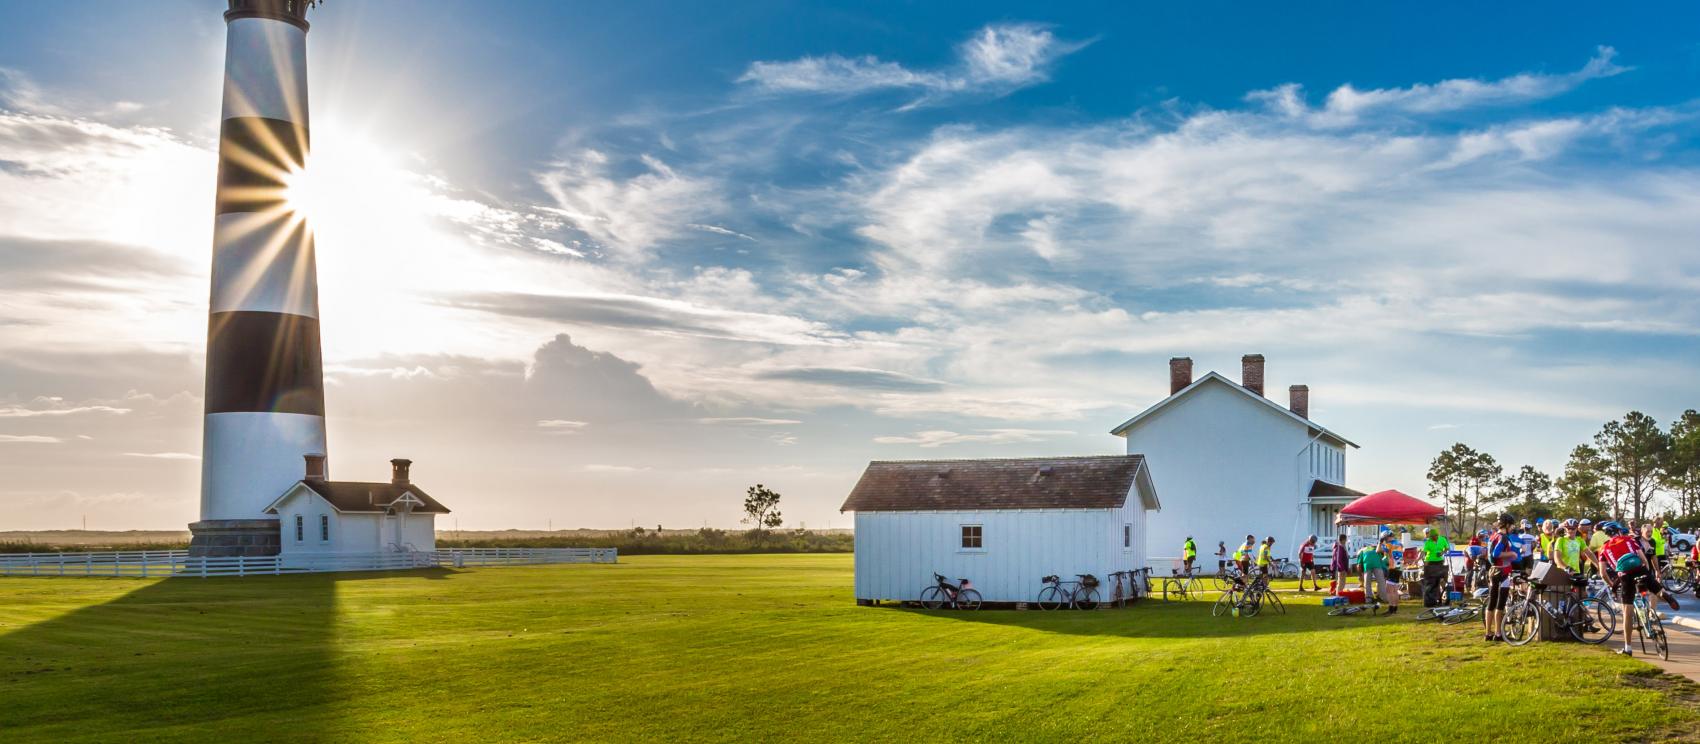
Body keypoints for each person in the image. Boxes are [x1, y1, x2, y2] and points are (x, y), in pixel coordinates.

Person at [1597, 521, 1680, 656]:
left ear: (1607, 535)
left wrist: (1612, 585)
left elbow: (1602, 573)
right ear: (1619, 532)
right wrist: (1647, 574)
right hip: (1639, 570)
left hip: (1624, 576)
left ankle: (1628, 648)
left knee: (1627, 612)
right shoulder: (1629, 540)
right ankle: (1665, 595)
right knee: (1655, 588)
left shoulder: (1604, 548)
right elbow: (1644, 559)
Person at [1484, 513, 1521, 643]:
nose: (1512, 527)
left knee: (1491, 603)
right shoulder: (1503, 537)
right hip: (1502, 572)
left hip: (1493, 571)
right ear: (1506, 525)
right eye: (1511, 525)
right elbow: (1496, 553)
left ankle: (1488, 633)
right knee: (1500, 604)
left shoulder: (1493, 535)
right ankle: (1498, 633)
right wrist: (1512, 553)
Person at [1356, 539, 1396, 614]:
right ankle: (1384, 598)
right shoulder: (1375, 548)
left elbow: (1358, 565)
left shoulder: (1361, 551)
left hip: (1367, 565)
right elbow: (1383, 559)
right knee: (1381, 582)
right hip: (1377, 564)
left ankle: (1369, 599)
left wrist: (1360, 575)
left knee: (1367, 582)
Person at [1419, 527, 1451, 607]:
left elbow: (1447, 548)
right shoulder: (1428, 541)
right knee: (1431, 582)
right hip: (1430, 562)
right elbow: (1424, 552)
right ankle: (1431, 601)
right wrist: (1418, 559)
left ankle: (1444, 598)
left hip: (1440, 562)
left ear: (1437, 535)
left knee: (1441, 580)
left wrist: (1442, 553)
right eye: (1431, 537)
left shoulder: (1442, 539)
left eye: (1433, 537)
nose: (1432, 539)